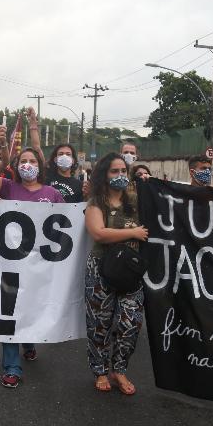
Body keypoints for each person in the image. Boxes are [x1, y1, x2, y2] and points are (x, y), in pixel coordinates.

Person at [0, 124, 65, 388]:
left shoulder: (53, 195)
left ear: (40, 165)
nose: (28, 165)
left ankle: (29, 341)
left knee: (32, 305)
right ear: (16, 166)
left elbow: (64, 228)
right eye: (23, 161)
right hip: (11, 263)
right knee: (10, 309)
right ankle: (12, 366)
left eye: (32, 161)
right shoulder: (8, 188)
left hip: (39, 265)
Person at [84, 152, 149, 395]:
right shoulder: (96, 203)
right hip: (101, 270)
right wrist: (133, 233)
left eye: (123, 171)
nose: (120, 175)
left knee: (130, 322)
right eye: (114, 171)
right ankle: (100, 371)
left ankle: (119, 370)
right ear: (104, 174)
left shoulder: (136, 200)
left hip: (131, 272)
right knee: (99, 323)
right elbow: (99, 233)